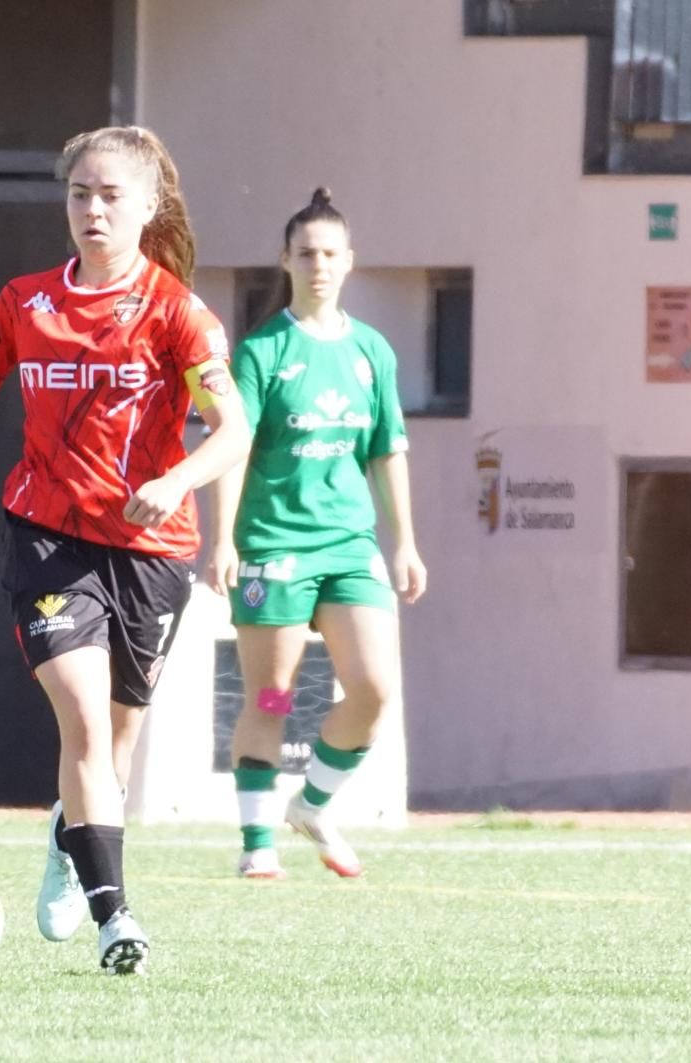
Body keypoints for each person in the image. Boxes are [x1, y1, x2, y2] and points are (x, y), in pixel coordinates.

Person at [0, 126, 250, 972]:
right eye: (79, 194)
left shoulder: (178, 313)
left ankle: (69, 837)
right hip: (49, 538)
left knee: (116, 745)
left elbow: (232, 429)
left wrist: (176, 484)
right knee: (84, 725)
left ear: (148, 208)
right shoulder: (26, 302)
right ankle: (118, 921)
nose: (92, 209)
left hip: (151, 550)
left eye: (110, 196)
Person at [206, 187, 426, 880]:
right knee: (274, 694)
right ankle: (256, 841)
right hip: (275, 545)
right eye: (307, 253)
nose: (319, 264)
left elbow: (388, 449)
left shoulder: (372, 351)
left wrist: (406, 542)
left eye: (331, 253)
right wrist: (223, 540)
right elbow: (231, 444)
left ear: (350, 262)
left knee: (375, 689)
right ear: (286, 261)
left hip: (350, 546)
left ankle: (313, 804)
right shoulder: (263, 351)